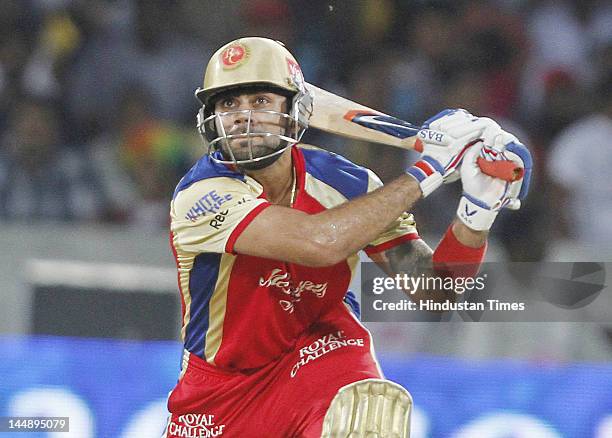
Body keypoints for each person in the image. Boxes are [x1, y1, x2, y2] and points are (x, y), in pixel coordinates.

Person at [163, 37, 531, 438]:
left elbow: (434, 289)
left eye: (260, 101)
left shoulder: (348, 184)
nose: (241, 117)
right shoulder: (200, 195)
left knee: (360, 414)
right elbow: (320, 243)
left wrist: (476, 214)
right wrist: (430, 171)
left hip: (320, 352)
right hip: (222, 390)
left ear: (295, 110)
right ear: (210, 117)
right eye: (228, 104)